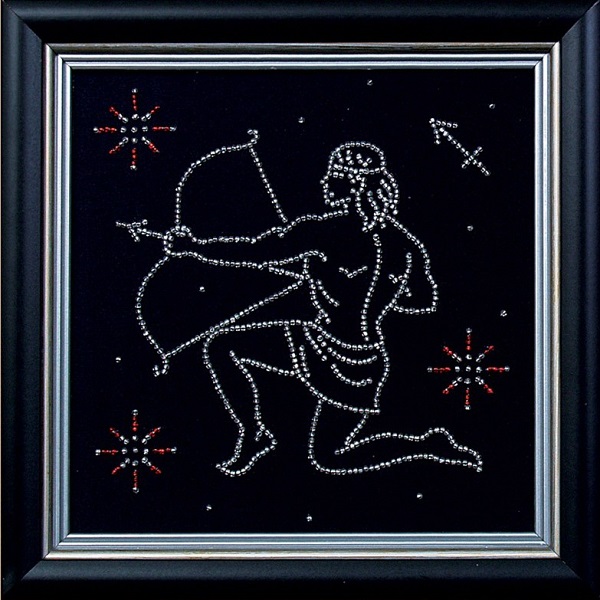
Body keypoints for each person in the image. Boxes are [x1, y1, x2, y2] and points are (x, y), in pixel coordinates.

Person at [122, 133, 482, 476]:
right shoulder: (403, 243)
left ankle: (425, 445)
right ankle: (255, 435)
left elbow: (255, 251)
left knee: (329, 456)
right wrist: (371, 291)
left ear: (353, 184)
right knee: (223, 346)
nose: (325, 182)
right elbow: (422, 301)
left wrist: (193, 247)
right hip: (350, 354)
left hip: (340, 356)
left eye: (334, 176)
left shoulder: (322, 232)